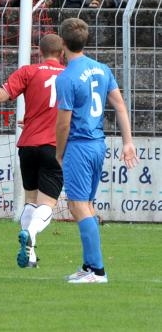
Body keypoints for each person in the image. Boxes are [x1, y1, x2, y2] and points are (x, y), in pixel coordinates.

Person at [55, 17, 138, 283]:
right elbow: (121, 106)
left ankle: (98, 270)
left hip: (78, 146)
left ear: (63, 44)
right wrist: (127, 142)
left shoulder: (66, 77)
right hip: (98, 145)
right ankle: (89, 265)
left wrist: (59, 153)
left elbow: (63, 123)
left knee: (78, 206)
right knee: (83, 205)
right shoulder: (102, 69)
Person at [0, 33, 65, 268]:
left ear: (39, 52)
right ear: (62, 52)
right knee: (48, 204)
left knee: (30, 200)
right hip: (54, 146)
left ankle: (30, 255)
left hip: (28, 145)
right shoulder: (69, 74)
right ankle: (31, 234)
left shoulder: (29, 71)